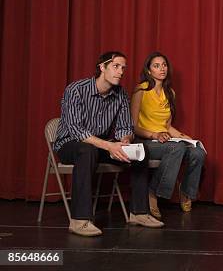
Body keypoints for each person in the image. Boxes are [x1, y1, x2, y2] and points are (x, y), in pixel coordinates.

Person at [54, 51, 164, 237]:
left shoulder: (120, 93)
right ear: (102, 68)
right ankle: (79, 220)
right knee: (86, 149)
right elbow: (77, 131)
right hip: (72, 144)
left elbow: (125, 127)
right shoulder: (76, 90)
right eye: (115, 66)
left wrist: (124, 141)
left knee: (140, 149)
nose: (120, 72)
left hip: (102, 145)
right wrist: (109, 146)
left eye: (123, 68)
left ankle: (139, 213)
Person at [130, 52, 205, 219]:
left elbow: (167, 126)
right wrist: (154, 134)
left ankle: (186, 192)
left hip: (165, 140)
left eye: (163, 65)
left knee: (197, 151)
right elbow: (132, 127)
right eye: (156, 66)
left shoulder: (170, 92)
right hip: (145, 140)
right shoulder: (141, 90)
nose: (161, 68)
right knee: (176, 148)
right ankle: (153, 193)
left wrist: (185, 137)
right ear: (149, 71)